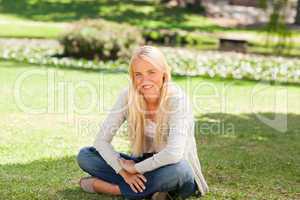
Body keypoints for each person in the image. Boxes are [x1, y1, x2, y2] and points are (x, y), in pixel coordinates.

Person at [76, 45, 209, 200]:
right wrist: (124, 172)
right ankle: (153, 192)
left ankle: (110, 188)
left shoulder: (177, 99)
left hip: (172, 167)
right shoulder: (127, 96)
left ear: (163, 73)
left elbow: (173, 154)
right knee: (86, 155)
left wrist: (135, 169)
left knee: (180, 170)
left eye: (151, 72)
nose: (145, 80)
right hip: (142, 165)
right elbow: (101, 141)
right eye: (138, 74)